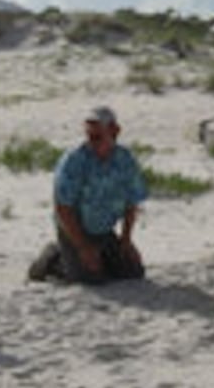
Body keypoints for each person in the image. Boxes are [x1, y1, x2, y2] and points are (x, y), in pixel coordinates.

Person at [49, 106, 148, 282]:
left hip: (103, 230)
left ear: (115, 132)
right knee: (90, 278)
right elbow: (63, 208)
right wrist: (82, 247)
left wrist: (126, 240)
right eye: (89, 136)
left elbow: (131, 203)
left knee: (133, 271)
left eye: (97, 137)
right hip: (74, 229)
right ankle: (55, 258)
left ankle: (96, 255)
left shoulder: (125, 160)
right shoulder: (74, 160)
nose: (92, 142)